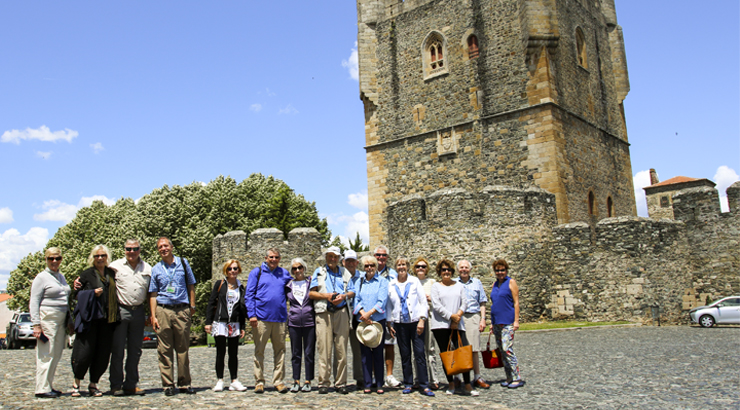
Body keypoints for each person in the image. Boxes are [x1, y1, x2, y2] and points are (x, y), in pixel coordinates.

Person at [149, 237, 197, 396]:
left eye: (165, 245)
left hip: (181, 309)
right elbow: (153, 294)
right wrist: (153, 315)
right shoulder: (156, 268)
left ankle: (184, 383)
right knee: (164, 349)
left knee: (183, 348)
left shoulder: (183, 263)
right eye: (160, 247)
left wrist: (192, 305)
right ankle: (167, 384)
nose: (163, 249)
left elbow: (191, 284)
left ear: (171, 247)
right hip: (163, 310)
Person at [71, 245, 118, 398]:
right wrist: (91, 293)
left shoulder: (112, 273)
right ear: (93, 257)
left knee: (103, 354)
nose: (100, 258)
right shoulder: (86, 274)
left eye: (103, 255)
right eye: (97, 256)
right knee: (84, 352)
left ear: (107, 257)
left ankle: (93, 384)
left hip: (107, 320)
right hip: (90, 320)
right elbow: (76, 294)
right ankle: (76, 383)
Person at [107, 238, 152, 396]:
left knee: (135, 350)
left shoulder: (147, 268)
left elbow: (150, 293)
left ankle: (131, 383)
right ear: (124, 250)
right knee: (118, 350)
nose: (131, 252)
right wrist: (80, 281)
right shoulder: (114, 266)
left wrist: (151, 314)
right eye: (128, 249)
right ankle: (116, 384)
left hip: (138, 311)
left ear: (140, 250)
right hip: (121, 310)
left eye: (135, 249)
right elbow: (100, 280)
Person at [309, 246, 355, 394]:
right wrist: (326, 296)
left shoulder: (344, 272)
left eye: (335, 257)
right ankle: (323, 382)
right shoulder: (319, 272)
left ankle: (340, 383)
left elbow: (352, 291)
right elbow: (311, 293)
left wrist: (344, 296)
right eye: (330, 256)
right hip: (324, 313)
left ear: (339, 259)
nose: (332, 259)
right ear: (326, 257)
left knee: (341, 349)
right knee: (324, 350)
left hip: (341, 312)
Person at [245, 248, 292, 394]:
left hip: (279, 318)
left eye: (276, 257)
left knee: (280, 351)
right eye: (271, 257)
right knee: (259, 350)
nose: (273, 260)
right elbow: (249, 294)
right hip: (261, 319)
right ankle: (259, 381)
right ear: (266, 258)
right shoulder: (256, 273)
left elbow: (294, 288)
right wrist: (252, 315)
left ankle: (278, 381)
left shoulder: (284, 273)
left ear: (280, 258)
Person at [430, 258, 479, 396]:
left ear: (452, 271)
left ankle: (468, 384)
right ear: (439, 272)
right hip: (440, 325)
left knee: (463, 352)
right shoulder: (436, 286)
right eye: (443, 270)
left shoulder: (459, 285)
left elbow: (465, 302)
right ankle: (451, 383)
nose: (446, 272)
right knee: (447, 355)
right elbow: (437, 305)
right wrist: (451, 316)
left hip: (458, 324)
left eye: (449, 270)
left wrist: (457, 316)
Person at [386, 257, 433, 396]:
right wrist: (389, 322)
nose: (401, 267)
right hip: (400, 324)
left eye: (404, 265)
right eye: (399, 265)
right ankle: (408, 383)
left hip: (415, 322)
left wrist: (422, 320)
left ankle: (424, 384)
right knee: (405, 354)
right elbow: (389, 305)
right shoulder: (392, 284)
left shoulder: (414, 281)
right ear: (396, 267)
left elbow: (423, 302)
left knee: (419, 353)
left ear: (407, 267)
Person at [30, 247, 72, 398]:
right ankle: (41, 388)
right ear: (46, 260)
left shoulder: (60, 277)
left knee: (56, 352)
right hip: (47, 318)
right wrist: (36, 324)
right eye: (51, 259)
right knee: (46, 352)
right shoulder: (41, 278)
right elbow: (34, 301)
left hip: (61, 318)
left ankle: (48, 384)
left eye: (57, 258)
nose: (54, 261)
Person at [205, 259, 247, 392]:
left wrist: (243, 326)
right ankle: (220, 380)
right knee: (220, 352)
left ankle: (234, 380)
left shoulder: (240, 287)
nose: (232, 271)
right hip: (220, 323)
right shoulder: (220, 284)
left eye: (235, 268)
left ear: (238, 270)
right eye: (230, 269)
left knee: (233, 353)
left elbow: (242, 308)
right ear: (226, 271)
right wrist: (208, 322)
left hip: (234, 324)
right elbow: (211, 303)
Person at [352, 255, 389, 394]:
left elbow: (382, 301)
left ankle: (379, 383)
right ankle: (367, 383)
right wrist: (363, 313)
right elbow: (357, 300)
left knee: (378, 353)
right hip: (363, 321)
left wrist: (369, 313)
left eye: (372, 266)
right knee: (365, 353)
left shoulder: (382, 281)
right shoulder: (359, 282)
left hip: (377, 320)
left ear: (375, 266)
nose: (369, 268)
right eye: (366, 266)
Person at [489, 259, 524, 389]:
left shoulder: (511, 282)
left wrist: (516, 320)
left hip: (508, 321)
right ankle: (508, 377)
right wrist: (492, 323)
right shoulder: (495, 284)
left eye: (502, 270)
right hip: (497, 322)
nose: (500, 272)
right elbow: (494, 304)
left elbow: (516, 302)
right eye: (497, 270)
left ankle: (517, 377)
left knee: (507, 349)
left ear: (506, 270)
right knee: (501, 351)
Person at [456, 259, 490, 389]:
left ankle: (477, 376)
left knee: (474, 348)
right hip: (459, 317)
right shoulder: (454, 283)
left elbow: (482, 302)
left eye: (466, 267)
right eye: (461, 267)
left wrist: (483, 319)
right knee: (459, 348)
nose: (464, 269)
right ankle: (458, 377)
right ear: (458, 269)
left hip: (473, 316)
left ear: (470, 269)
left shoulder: (477, 283)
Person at [372, 245, 400, 388]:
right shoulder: (368, 272)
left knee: (389, 345)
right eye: (378, 255)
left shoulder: (393, 274)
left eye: (383, 255)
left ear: (387, 257)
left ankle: (389, 376)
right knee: (372, 345)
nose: (380, 258)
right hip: (373, 315)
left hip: (389, 314)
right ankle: (374, 376)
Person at [286, 257, 315, 393]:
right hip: (294, 322)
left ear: (304, 268)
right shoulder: (288, 286)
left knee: (309, 352)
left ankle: (308, 380)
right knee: (295, 353)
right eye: (295, 268)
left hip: (309, 321)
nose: (297, 271)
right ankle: (296, 380)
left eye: (300, 267)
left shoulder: (311, 283)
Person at [412, 256, 441, 390]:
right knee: (417, 350)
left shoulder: (432, 283)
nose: (421, 269)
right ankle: (418, 378)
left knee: (430, 348)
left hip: (429, 317)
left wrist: (430, 299)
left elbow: (439, 302)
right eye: (418, 266)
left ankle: (433, 378)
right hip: (414, 318)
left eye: (423, 266)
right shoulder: (411, 282)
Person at [344, 250, 364, 387]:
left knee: (359, 349)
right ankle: (340, 380)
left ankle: (361, 377)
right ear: (343, 262)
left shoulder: (363, 277)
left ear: (357, 262)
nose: (350, 263)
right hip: (342, 315)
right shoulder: (339, 276)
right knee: (340, 349)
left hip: (358, 316)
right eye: (348, 261)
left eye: (353, 261)